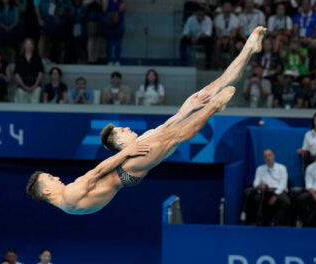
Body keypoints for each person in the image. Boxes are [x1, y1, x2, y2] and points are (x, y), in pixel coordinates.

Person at [25, 26, 267, 215]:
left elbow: (169, 124)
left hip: (128, 167)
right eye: (50, 178)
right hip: (125, 172)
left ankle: (248, 49)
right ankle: (215, 106)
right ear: (46, 191)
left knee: (198, 98)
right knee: (178, 134)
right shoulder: (69, 197)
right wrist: (128, 150)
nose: (56, 177)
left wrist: (187, 110)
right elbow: (100, 169)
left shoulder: (73, 194)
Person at [245, 149, 290, 226]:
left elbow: (283, 184)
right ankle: (259, 221)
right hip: (265, 191)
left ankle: (275, 221)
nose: (268, 158)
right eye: (266, 156)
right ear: (263, 158)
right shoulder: (260, 169)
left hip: (278, 191)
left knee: (286, 202)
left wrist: (275, 195)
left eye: (269, 155)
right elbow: (255, 183)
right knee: (255, 199)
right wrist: (259, 185)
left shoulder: (282, 168)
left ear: (273, 156)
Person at [14, 38, 44, 103]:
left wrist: (35, 86)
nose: (28, 46)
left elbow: (41, 72)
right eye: (27, 44)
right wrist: (24, 86)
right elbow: (16, 74)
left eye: (30, 44)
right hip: (22, 87)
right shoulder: (19, 58)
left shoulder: (37, 58)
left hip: (35, 87)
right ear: (24, 46)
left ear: (33, 46)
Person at [213, 1, 239, 69]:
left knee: (231, 43)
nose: (227, 8)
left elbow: (234, 32)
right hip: (220, 37)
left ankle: (230, 65)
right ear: (222, 8)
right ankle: (218, 65)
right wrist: (222, 39)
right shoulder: (218, 18)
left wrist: (228, 39)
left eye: (228, 6)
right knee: (218, 43)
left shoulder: (235, 18)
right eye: (225, 6)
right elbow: (217, 31)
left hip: (231, 37)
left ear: (231, 8)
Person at [102, 0, 125, 65]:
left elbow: (123, 10)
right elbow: (104, 10)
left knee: (118, 43)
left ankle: (117, 60)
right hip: (109, 23)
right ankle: (109, 60)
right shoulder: (107, 1)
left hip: (119, 23)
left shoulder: (121, 1)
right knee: (109, 43)